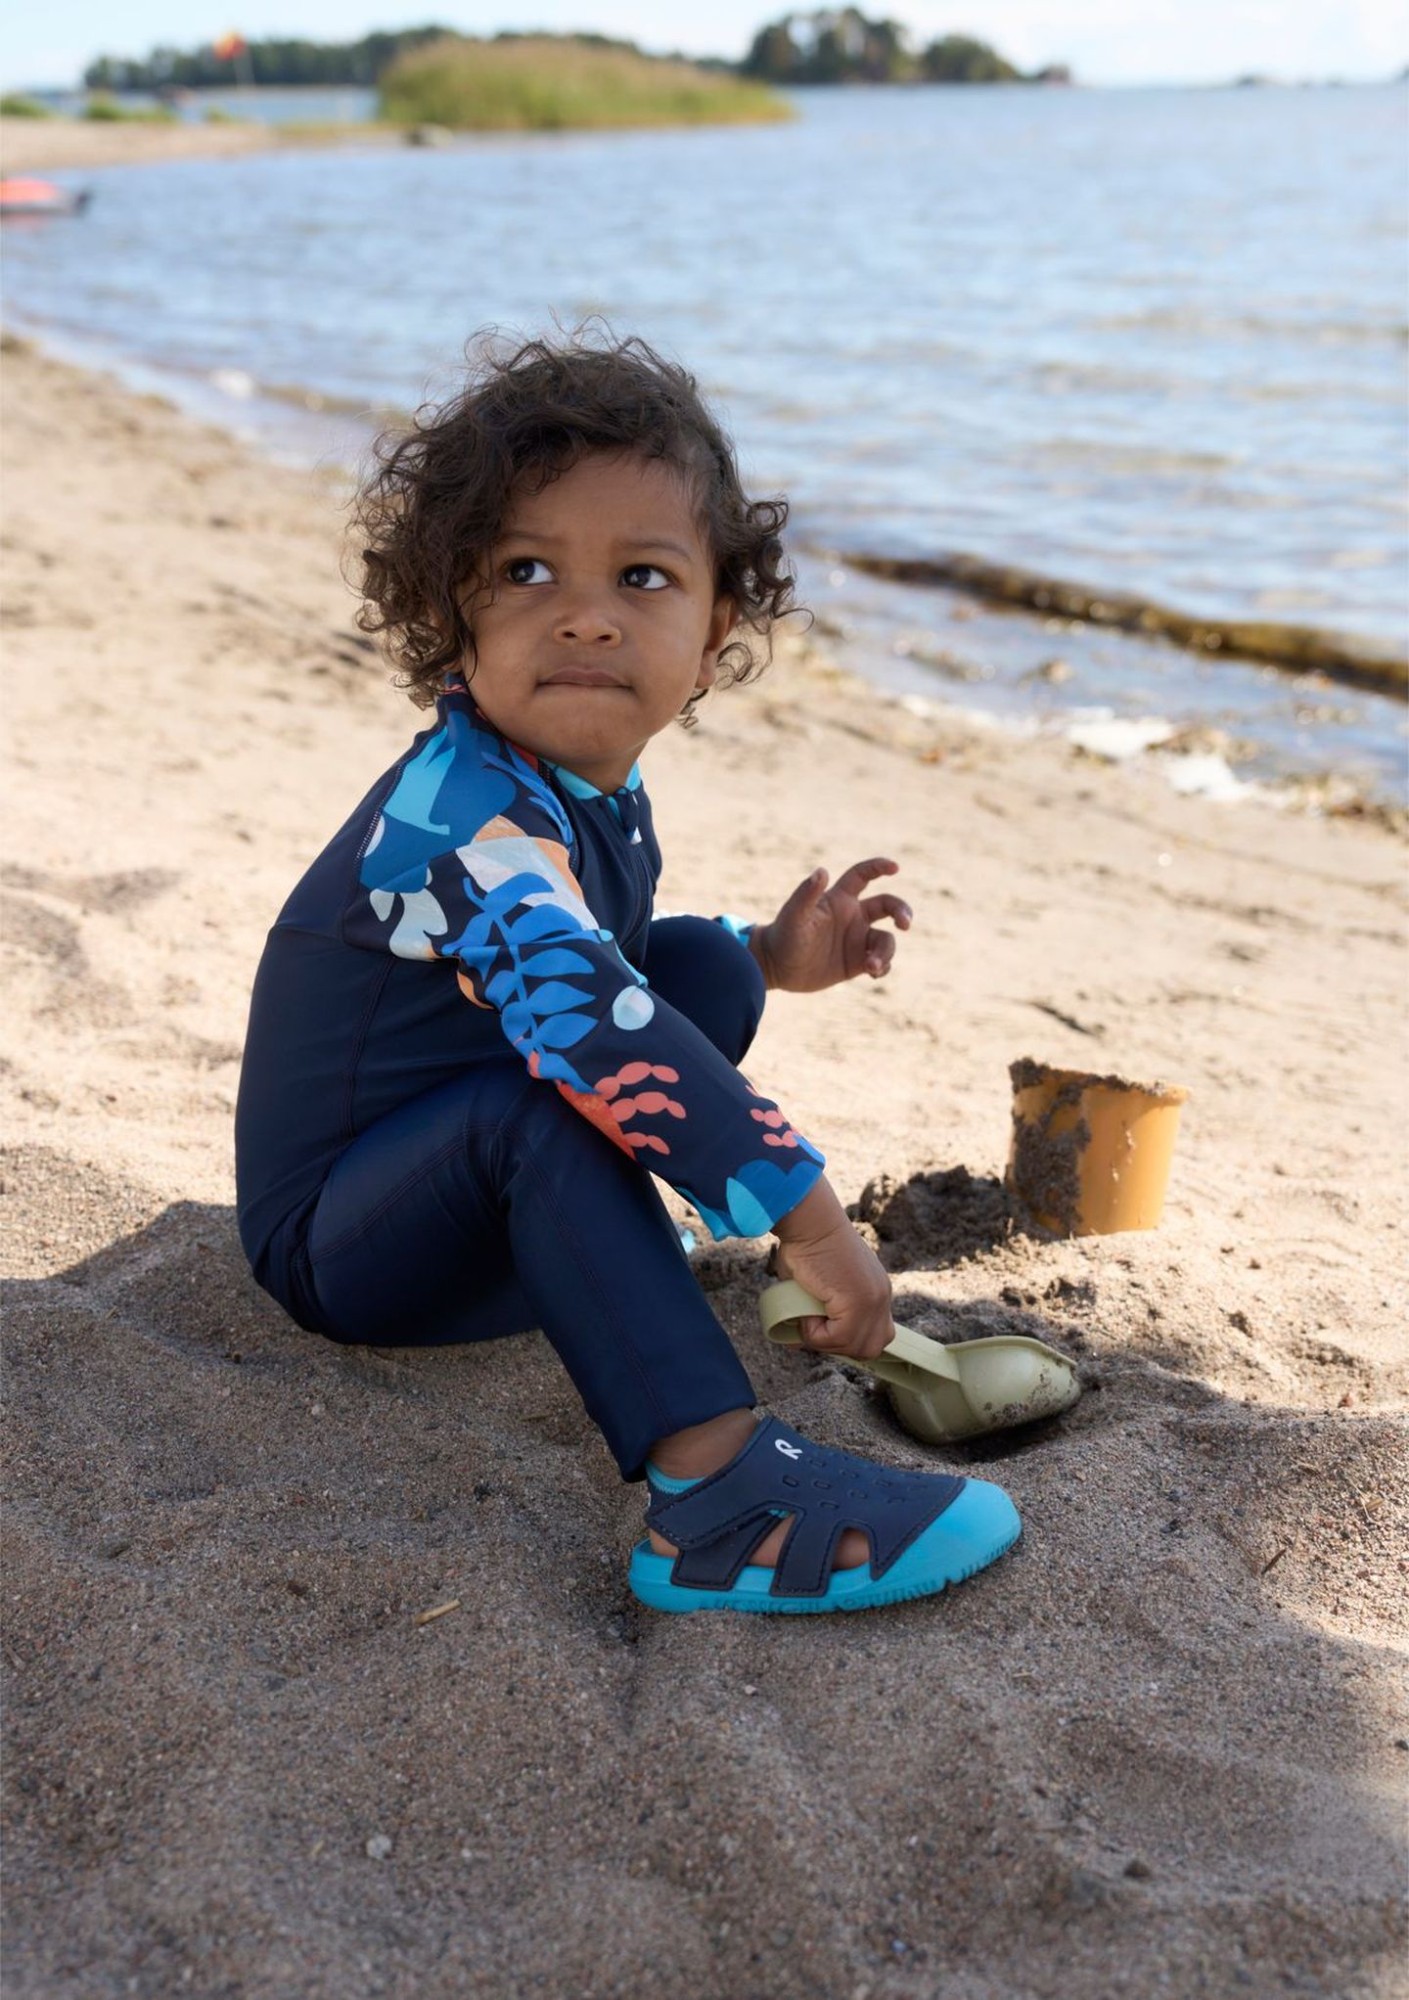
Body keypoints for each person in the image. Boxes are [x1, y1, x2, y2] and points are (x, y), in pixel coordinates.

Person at [235, 330, 1019, 1615]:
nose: (586, 613)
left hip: (470, 1202)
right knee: (556, 1088)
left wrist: (768, 958)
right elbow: (595, 1028)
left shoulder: (580, 780)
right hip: (348, 1243)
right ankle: (716, 1498)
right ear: (450, 617)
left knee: (698, 964)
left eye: (641, 576)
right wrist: (814, 1225)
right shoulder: (461, 821)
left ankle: (604, 1248)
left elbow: (606, 970)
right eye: (525, 570)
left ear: (712, 637)